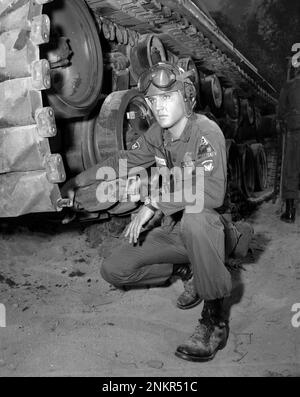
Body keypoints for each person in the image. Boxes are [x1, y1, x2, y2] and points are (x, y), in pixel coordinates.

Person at [63, 62, 232, 362]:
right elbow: (121, 162)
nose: (158, 106)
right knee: (113, 269)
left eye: (167, 98)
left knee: (196, 218)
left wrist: (153, 204)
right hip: (174, 233)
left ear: (187, 96)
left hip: (209, 228)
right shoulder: (159, 135)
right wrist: (76, 181)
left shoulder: (207, 133)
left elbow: (213, 193)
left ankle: (214, 320)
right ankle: (185, 269)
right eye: (153, 101)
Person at [278, 63, 300, 223]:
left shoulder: (289, 85)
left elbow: (281, 109)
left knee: (291, 170)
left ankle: (290, 213)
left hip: (295, 131)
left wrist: (282, 120)